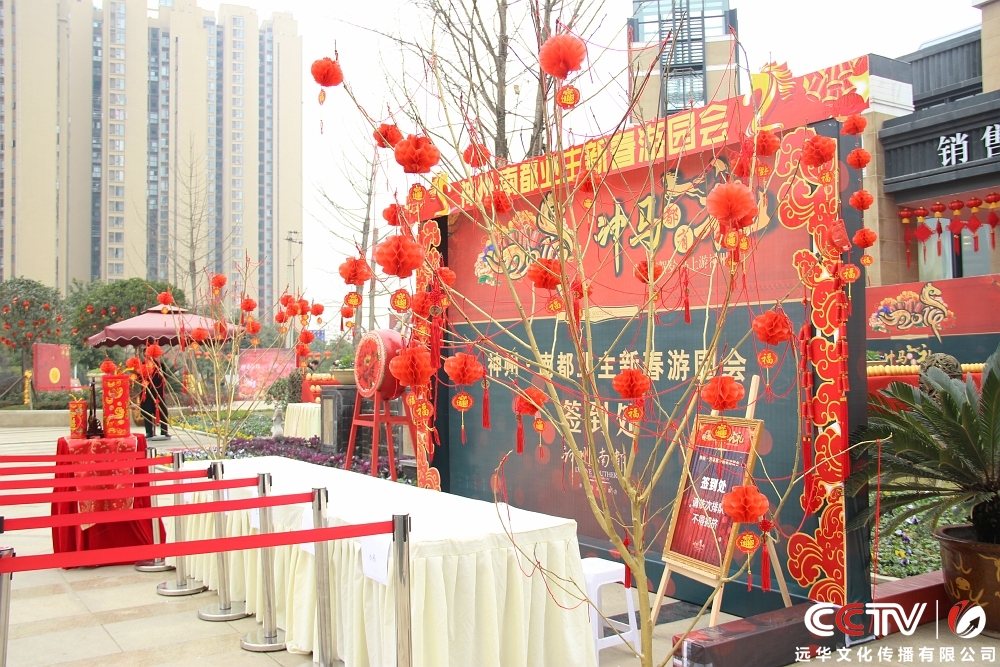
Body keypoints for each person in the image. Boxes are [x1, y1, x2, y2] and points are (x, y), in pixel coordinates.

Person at [140, 358, 170, 440]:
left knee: (163, 412)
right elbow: (139, 378)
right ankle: (149, 432)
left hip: (158, 393)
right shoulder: (142, 364)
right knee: (147, 412)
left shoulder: (160, 365)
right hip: (146, 393)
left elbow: (165, 377)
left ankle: (164, 431)